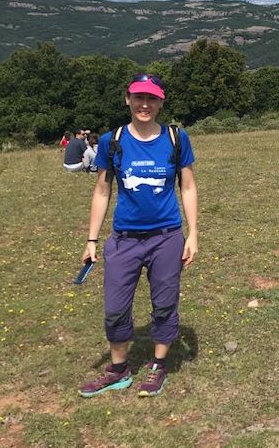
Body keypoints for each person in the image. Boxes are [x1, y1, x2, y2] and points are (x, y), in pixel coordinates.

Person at [78, 73, 199, 398]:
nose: (145, 104)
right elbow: (102, 190)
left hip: (167, 236)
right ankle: (118, 369)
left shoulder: (176, 138)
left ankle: (159, 365)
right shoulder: (111, 140)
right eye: (138, 97)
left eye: (152, 98)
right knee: (115, 307)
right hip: (124, 238)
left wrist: (193, 232)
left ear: (161, 102)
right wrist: (91, 240)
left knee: (164, 303)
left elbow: (187, 186)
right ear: (128, 99)